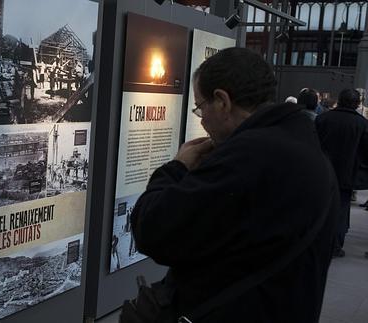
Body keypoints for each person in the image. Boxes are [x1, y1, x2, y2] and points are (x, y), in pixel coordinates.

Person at [129, 48, 338, 322]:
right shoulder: (303, 145)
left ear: (222, 101)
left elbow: (152, 228)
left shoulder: (249, 156)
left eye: (200, 107)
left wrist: (176, 168)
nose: (201, 119)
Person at [315, 88, 368, 257]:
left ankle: (318, 241)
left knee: (321, 206)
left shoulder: (323, 118)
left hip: (322, 170)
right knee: (341, 209)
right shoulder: (361, 124)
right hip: (347, 173)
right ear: (357, 103)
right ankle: (335, 244)